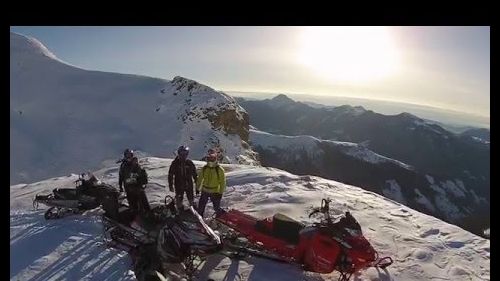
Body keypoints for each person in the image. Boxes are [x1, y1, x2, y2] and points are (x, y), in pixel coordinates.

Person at [196, 153, 226, 217]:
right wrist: (197, 188)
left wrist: (220, 193)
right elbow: (200, 178)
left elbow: (222, 182)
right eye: (209, 158)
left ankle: (221, 218)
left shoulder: (219, 169)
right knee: (201, 207)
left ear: (215, 159)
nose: (210, 160)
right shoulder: (204, 168)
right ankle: (199, 219)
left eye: (212, 158)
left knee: (216, 207)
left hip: (215, 191)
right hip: (205, 190)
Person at [168, 145, 198, 209]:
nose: (183, 155)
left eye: (185, 154)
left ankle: (194, 214)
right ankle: (180, 213)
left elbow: (195, 174)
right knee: (179, 201)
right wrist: (171, 185)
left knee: (191, 200)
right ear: (179, 153)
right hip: (179, 185)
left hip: (188, 184)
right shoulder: (175, 163)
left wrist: (197, 185)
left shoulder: (189, 163)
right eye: (182, 153)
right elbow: (170, 174)